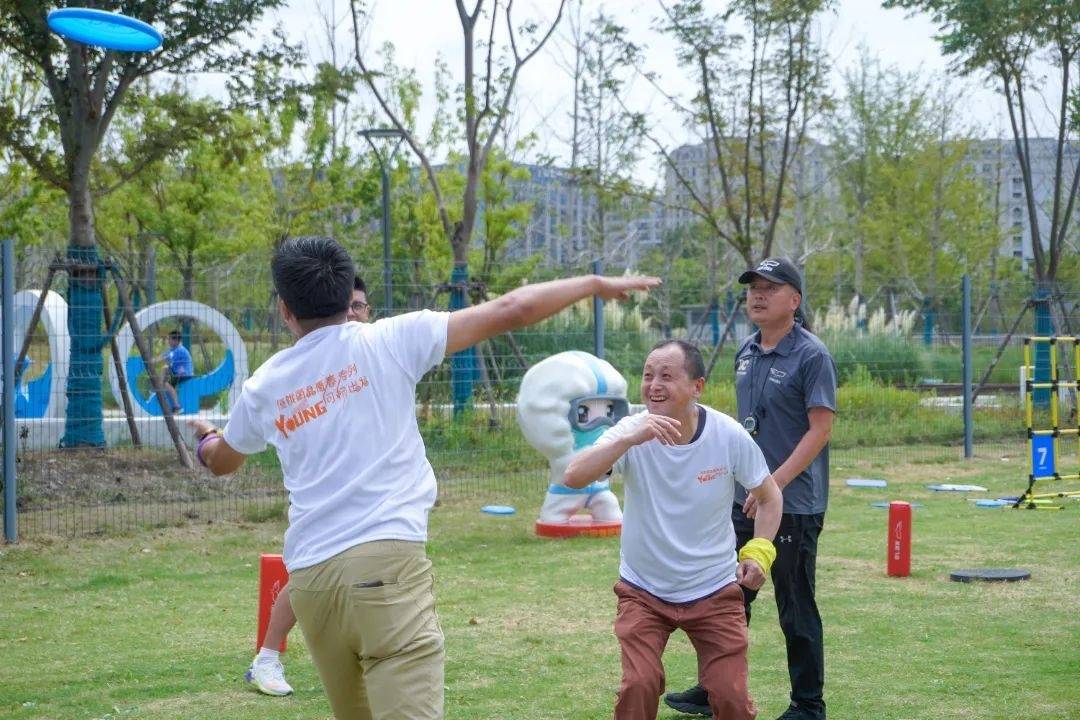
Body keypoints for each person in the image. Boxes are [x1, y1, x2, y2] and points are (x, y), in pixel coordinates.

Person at [192, 235, 658, 720]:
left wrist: (205, 440)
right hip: (386, 568)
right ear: (348, 297)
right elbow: (513, 308)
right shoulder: (389, 339)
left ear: (284, 309)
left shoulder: (265, 384)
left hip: (310, 582)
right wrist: (593, 283)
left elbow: (224, 459)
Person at [565, 339, 783, 720]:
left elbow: (769, 496)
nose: (654, 385)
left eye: (667, 375)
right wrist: (630, 439)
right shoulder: (631, 431)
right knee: (639, 684)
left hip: (714, 589)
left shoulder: (728, 435)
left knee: (731, 696)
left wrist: (759, 552)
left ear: (697, 386)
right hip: (643, 590)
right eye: (648, 376)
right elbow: (574, 475)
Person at [665, 258, 837, 720]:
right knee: (726, 598)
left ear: (794, 301)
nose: (757, 295)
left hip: (793, 503)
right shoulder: (746, 351)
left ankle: (808, 705)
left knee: (794, 605)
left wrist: (772, 484)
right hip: (744, 499)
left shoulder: (812, 355)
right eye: (753, 288)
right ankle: (713, 688)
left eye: (771, 287)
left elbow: (819, 430)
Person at [243, 274, 373, 697]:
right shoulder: (295, 371)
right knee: (305, 579)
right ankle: (266, 657)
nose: (353, 314)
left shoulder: (377, 354)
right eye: (347, 306)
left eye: (360, 307)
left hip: (376, 509)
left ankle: (373, 656)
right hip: (324, 510)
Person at [159, 329, 194, 413]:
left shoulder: (179, 350)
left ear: (176, 340)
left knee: (168, 384)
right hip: (178, 373)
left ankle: (177, 406)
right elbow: (162, 357)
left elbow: (164, 358)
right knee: (165, 368)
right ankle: (160, 386)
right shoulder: (173, 349)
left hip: (184, 374)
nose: (168, 341)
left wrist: (151, 361)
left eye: (169, 339)